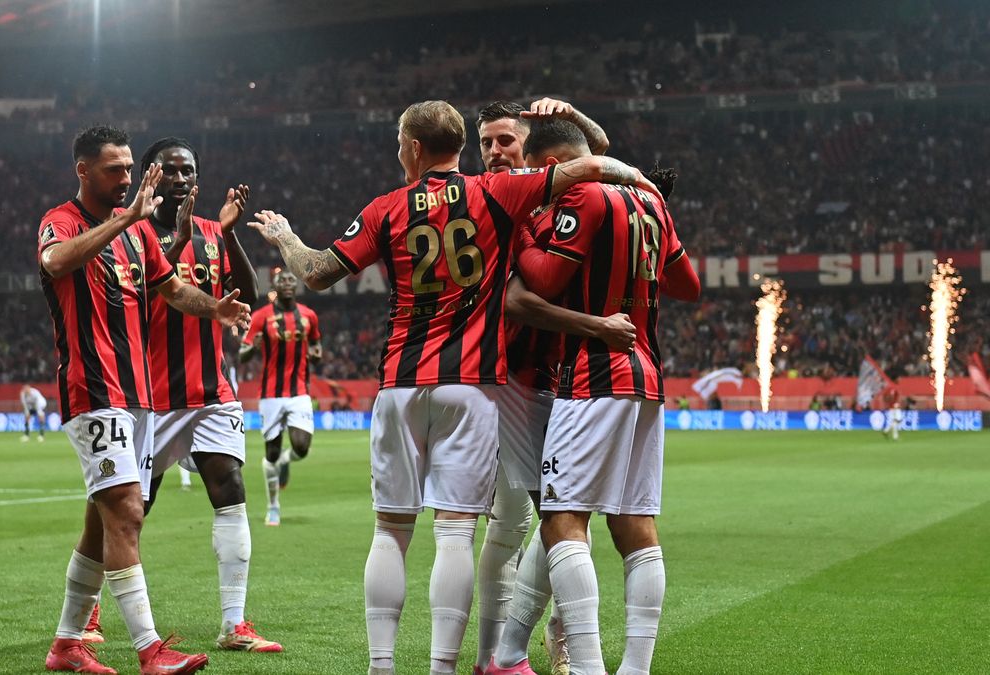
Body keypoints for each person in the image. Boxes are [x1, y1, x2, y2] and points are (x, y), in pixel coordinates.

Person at [247, 100, 654, 675]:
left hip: (400, 382)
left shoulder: (385, 206)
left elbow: (315, 270)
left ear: (413, 148)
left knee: (390, 530)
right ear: (462, 145)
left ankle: (382, 667)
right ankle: (444, 668)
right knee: (457, 534)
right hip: (473, 385)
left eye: (398, 143)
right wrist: (641, 185)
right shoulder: (496, 194)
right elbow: (587, 167)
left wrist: (285, 236)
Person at [38, 125, 251, 675]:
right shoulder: (63, 220)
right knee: (129, 513)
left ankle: (66, 645)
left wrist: (217, 309)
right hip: (94, 388)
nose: (128, 178)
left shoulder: (140, 237)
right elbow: (56, 262)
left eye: (131, 168)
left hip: (141, 397)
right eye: (115, 169)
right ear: (83, 170)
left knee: (101, 521)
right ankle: (151, 650)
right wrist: (125, 218)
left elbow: (173, 290)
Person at [493, 119, 700, 675]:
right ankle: (633, 668)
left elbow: (544, 278)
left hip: (590, 376)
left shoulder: (579, 195)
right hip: (648, 376)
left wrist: (524, 235)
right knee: (635, 524)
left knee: (561, 517)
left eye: (544, 170)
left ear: (555, 161)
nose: (543, 181)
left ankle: (585, 667)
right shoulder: (649, 203)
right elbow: (688, 286)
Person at [473, 98, 613, 675]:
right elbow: (516, 300)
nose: (494, 152)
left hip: (550, 380)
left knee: (524, 524)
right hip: (504, 381)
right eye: (485, 143)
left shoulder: (545, 190)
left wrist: (576, 117)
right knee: (550, 515)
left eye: (505, 140)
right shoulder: (489, 203)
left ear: (531, 151)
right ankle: (527, 648)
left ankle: (502, 652)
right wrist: (593, 325)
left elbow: (596, 155)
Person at [135, 136, 282, 653]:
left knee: (230, 490)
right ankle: (89, 613)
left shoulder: (209, 231)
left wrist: (229, 233)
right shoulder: (131, 232)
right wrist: (174, 240)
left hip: (211, 390)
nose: (181, 179)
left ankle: (234, 624)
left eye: (189, 171)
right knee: (130, 511)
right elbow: (148, 294)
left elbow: (247, 291)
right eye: (171, 170)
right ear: (151, 175)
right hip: (150, 397)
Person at [238, 269, 322, 526]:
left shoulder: (309, 316)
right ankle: (273, 506)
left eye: (291, 280)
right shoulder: (262, 316)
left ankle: (288, 460)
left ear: (296, 286)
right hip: (271, 394)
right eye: (282, 280)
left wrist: (316, 354)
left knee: (302, 447)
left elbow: (316, 346)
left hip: (299, 392)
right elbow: (242, 354)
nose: (287, 283)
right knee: (271, 454)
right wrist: (254, 346)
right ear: (274, 286)